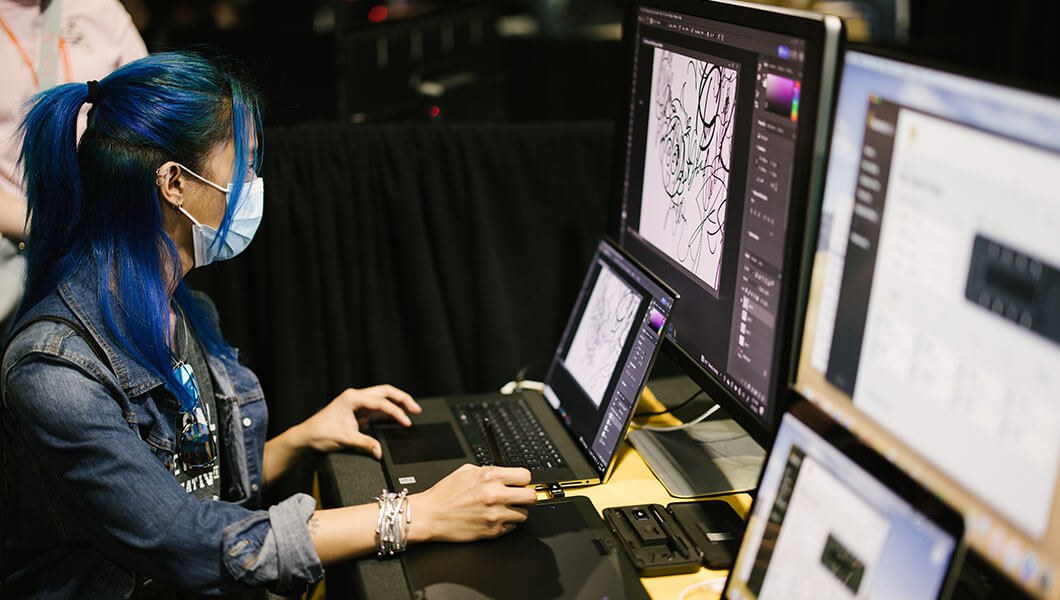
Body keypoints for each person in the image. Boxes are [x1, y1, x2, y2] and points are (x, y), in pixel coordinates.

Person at [0, 51, 537, 598]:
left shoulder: (180, 309)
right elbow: (186, 539)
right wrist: (414, 515)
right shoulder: (54, 370)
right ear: (173, 183)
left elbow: (196, 487)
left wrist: (304, 437)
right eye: (246, 163)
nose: (254, 182)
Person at [1, 0, 149, 329]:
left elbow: (148, 119)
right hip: (14, 246)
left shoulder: (101, 10)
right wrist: (44, 226)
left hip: (102, 242)